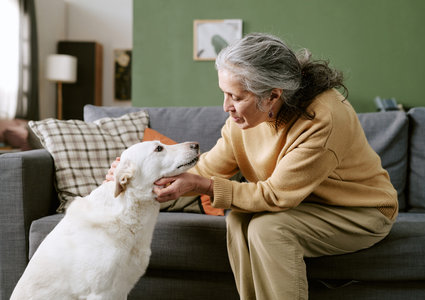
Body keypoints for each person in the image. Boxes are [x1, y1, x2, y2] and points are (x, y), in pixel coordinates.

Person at [106, 33, 398, 300]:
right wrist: (133, 179)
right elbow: (208, 168)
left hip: (359, 210)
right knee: (239, 218)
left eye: (236, 97)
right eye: (224, 93)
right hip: (301, 204)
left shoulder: (322, 119)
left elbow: (276, 196)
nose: (226, 106)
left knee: (269, 230)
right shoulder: (243, 121)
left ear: (273, 94)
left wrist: (205, 187)